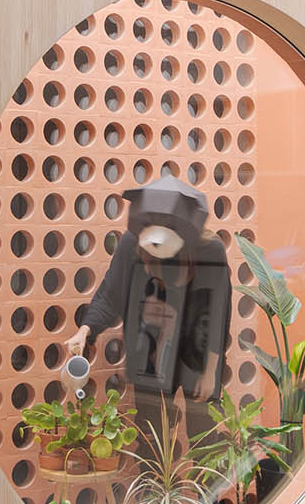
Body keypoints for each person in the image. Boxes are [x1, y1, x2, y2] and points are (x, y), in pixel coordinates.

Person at [66, 174, 231, 446]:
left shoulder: (209, 251)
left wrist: (209, 372)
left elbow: (217, 314)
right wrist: (85, 330)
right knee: (151, 433)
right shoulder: (132, 243)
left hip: (197, 348)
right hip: (151, 345)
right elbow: (111, 292)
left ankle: (205, 474)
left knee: (203, 431)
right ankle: (152, 475)